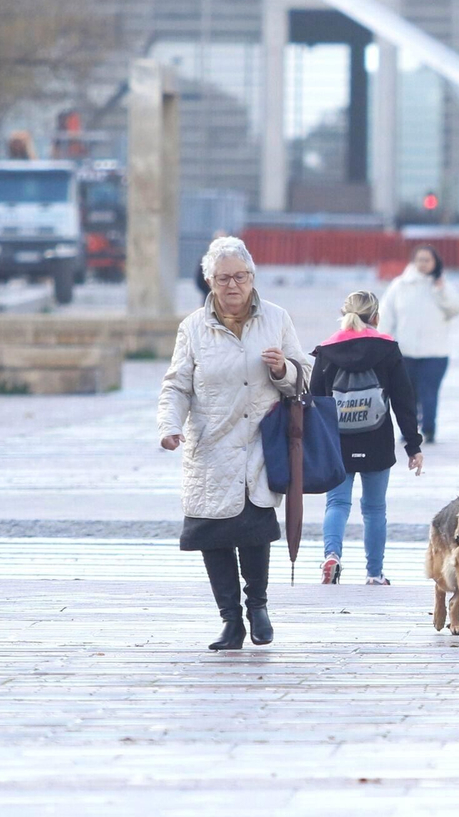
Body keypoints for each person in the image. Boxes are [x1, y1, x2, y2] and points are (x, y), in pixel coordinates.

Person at [158, 237, 311, 652]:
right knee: (213, 535)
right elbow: (176, 384)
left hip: (260, 443)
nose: (232, 285)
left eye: (240, 277)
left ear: (252, 278)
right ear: (209, 281)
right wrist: (169, 426)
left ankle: (257, 607)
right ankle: (230, 621)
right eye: (223, 278)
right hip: (210, 446)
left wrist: (284, 370)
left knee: (254, 529)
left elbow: (306, 375)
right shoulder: (192, 327)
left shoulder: (276, 318)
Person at [310, 290, 425, 584]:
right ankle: (374, 574)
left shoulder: (325, 352)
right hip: (377, 440)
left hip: (338, 443)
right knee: (374, 509)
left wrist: (316, 447)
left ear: (343, 314)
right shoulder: (387, 350)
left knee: (337, 503)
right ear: (376, 317)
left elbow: (315, 403)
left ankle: (331, 556)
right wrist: (413, 445)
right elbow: (404, 400)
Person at [381, 245, 459, 444]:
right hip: (406, 352)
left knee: (429, 392)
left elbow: (455, 309)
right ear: (413, 261)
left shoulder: (442, 286)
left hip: (436, 352)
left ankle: (429, 429)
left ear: (435, 262)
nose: (423, 264)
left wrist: (440, 290)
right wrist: (383, 342)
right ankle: (410, 430)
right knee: (408, 396)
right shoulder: (400, 285)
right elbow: (386, 315)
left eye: (428, 260)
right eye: (420, 259)